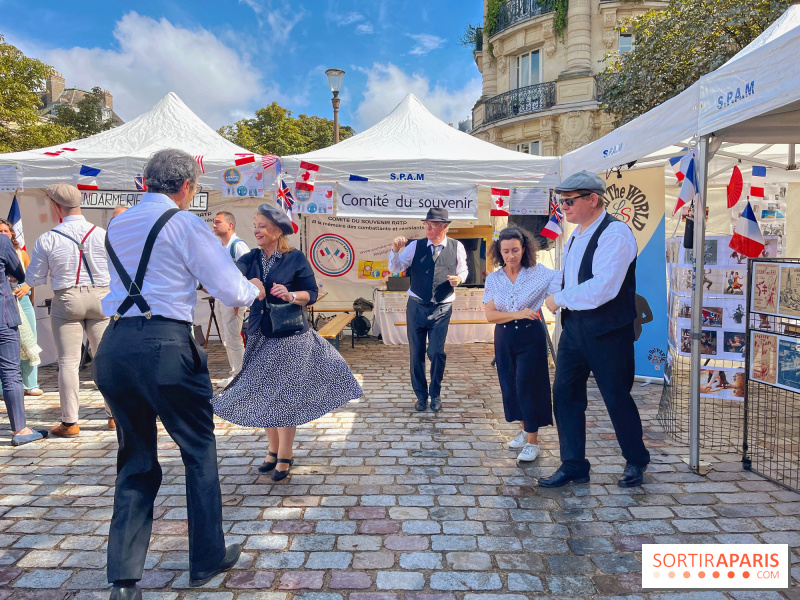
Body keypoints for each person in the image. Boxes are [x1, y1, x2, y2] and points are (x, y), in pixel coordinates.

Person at [93, 149, 266, 600]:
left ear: (146, 182)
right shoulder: (185, 223)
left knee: (134, 458)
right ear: (186, 187)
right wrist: (254, 289)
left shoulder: (119, 223)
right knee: (197, 448)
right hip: (166, 345)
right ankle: (206, 558)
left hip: (115, 346)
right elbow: (229, 287)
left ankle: (124, 580)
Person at [212, 204, 362, 481]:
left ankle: (285, 454)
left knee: (285, 395)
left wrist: (291, 295)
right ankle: (271, 449)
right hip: (258, 332)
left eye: (262, 226)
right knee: (264, 392)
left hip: (290, 335)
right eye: (255, 225)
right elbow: (227, 276)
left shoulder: (294, 258)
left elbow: (312, 293)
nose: (256, 230)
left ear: (277, 231)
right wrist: (250, 281)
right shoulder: (252, 257)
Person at [540, 170, 650, 488]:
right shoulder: (575, 234)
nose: (563, 207)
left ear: (593, 199)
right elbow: (569, 277)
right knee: (565, 395)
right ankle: (574, 463)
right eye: (561, 201)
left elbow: (603, 287)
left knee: (616, 396)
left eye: (569, 201)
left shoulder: (615, 234)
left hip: (607, 330)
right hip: (575, 329)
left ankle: (636, 460)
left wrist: (558, 299)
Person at [26, 184, 114, 436]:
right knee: (105, 359)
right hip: (101, 295)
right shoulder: (102, 233)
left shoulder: (48, 237)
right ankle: (114, 416)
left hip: (67, 297)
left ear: (56, 206)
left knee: (68, 362)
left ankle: (70, 422)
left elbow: (35, 277)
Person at [483, 227, 559, 462]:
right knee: (512, 386)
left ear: (525, 248)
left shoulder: (540, 273)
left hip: (530, 336)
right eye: (505, 251)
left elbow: (565, 281)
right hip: (505, 337)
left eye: (515, 250)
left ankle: (533, 442)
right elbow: (490, 316)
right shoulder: (494, 279)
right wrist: (517, 313)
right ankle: (525, 430)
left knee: (529, 385)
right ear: (499, 252)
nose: (511, 256)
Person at [388, 207, 468, 412]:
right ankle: (421, 396)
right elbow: (395, 269)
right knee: (416, 353)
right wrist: (395, 251)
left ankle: (436, 393)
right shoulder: (415, 246)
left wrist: (459, 279)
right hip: (416, 306)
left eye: (432, 226)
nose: (428, 229)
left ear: (445, 227)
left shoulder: (456, 246)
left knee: (436, 352)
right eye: (426, 225)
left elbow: (464, 270)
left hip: (442, 307)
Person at [0, 232, 45, 446]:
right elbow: (19, 271)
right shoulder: (2, 241)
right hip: (2, 316)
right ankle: (20, 429)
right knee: (10, 371)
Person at [0, 219, 43, 396]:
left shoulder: (21, 253)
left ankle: (30, 383)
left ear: (11, 233)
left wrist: (27, 288)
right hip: (4, 301)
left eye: (5, 231)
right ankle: (4, 387)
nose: (3, 234)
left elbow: (31, 275)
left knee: (29, 340)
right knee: (7, 343)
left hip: (22, 301)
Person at [211, 211, 249, 387]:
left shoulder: (238, 245)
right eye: (214, 222)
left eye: (218, 222)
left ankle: (240, 376)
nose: (214, 225)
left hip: (232, 298)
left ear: (230, 225)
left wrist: (238, 299)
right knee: (226, 337)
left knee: (233, 336)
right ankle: (236, 372)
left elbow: (247, 273)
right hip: (221, 297)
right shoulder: (222, 246)